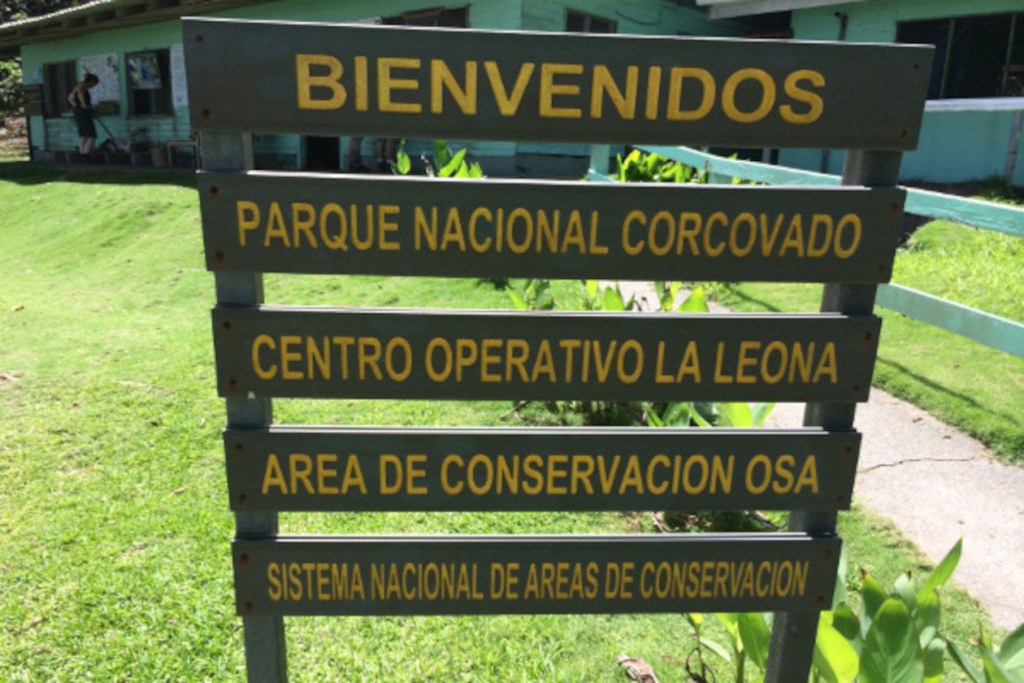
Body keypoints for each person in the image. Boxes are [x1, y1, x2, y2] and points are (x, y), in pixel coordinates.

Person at [67, 74, 99, 156]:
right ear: (91, 82)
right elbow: (80, 93)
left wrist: (76, 106)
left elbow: (70, 98)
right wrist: (83, 104)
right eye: (94, 84)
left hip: (78, 112)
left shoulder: (76, 86)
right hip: (84, 112)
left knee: (83, 135)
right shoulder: (82, 86)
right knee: (91, 135)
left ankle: (82, 153)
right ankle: (86, 154)